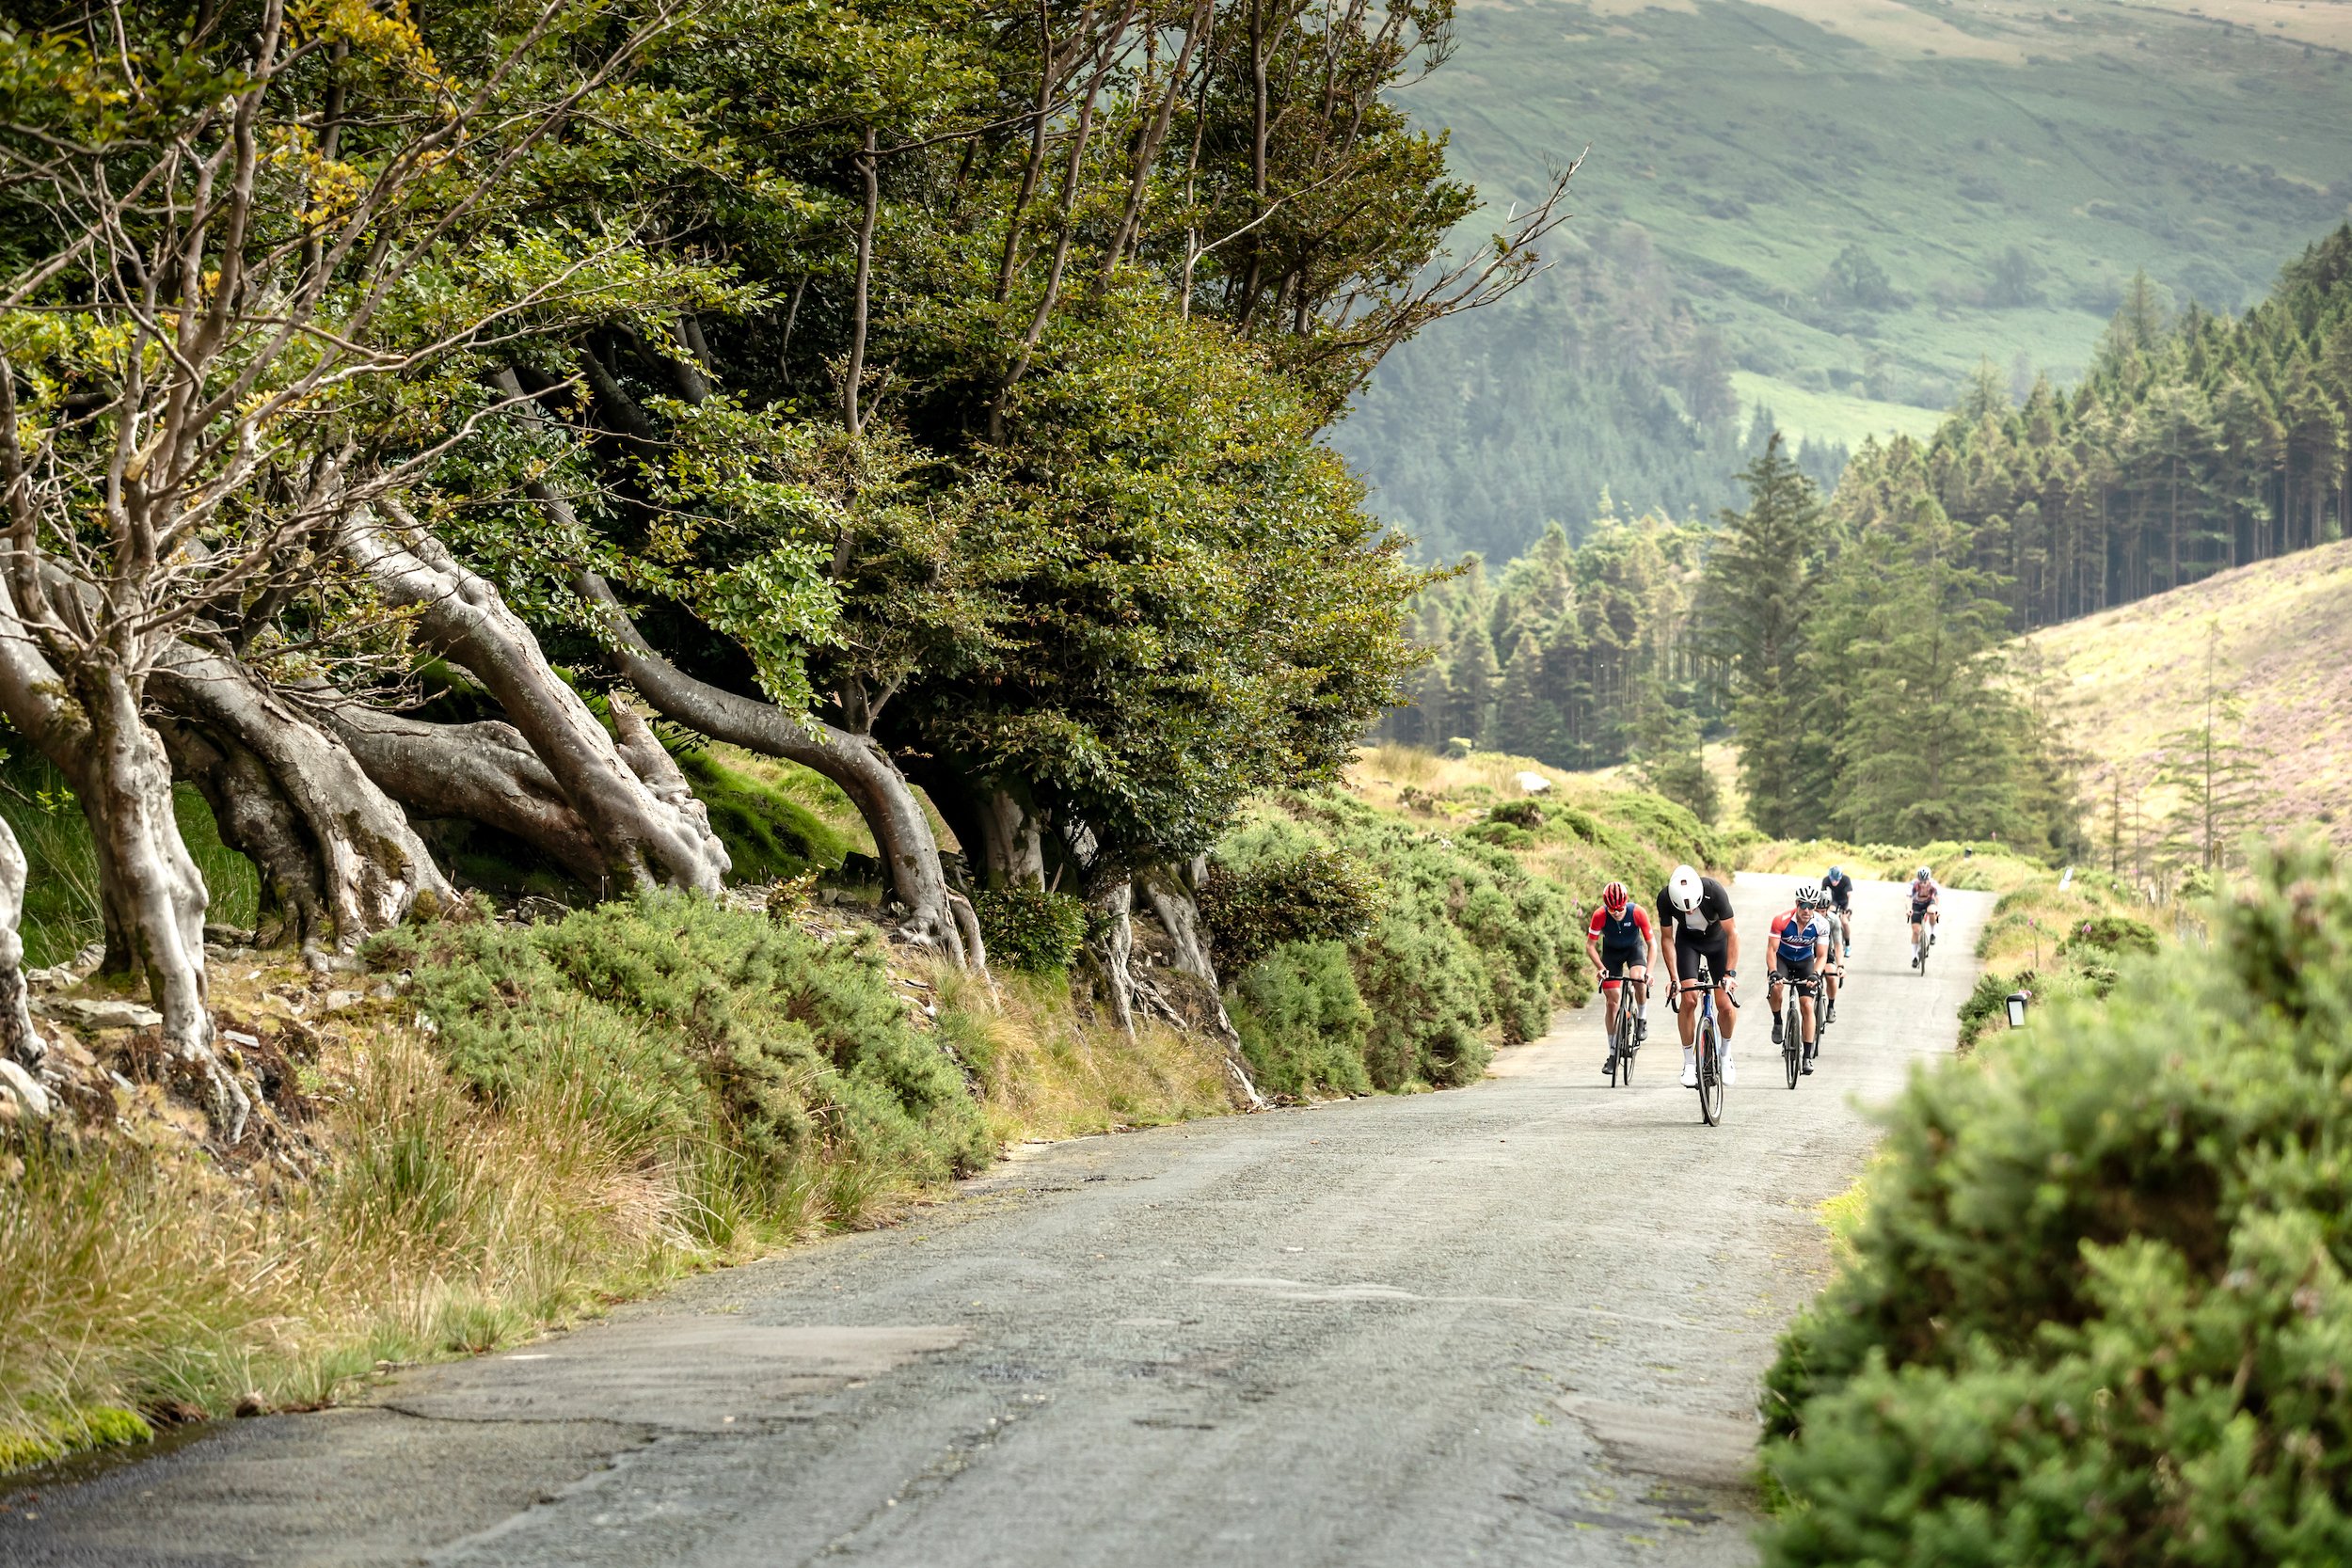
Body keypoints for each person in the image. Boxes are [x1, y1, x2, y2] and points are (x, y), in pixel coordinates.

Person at [1657, 863, 1740, 1088]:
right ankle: (1689, 1063)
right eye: (1685, 910)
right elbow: (1666, 939)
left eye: (1693, 907)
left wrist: (1730, 973)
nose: (1690, 912)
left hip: (1718, 943)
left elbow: (1732, 933)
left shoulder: (1714, 891)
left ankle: (1725, 1055)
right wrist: (1674, 978)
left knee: (1725, 1003)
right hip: (1688, 944)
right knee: (1689, 998)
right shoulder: (1665, 898)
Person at [1585, 882, 1655, 1073]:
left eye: (1620, 909)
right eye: (1612, 909)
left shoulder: (1637, 912)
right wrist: (1600, 968)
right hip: (1611, 955)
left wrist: (1649, 971)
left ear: (1626, 902)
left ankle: (1642, 1017)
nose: (1616, 913)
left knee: (1637, 978)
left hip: (1634, 950)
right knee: (1612, 1002)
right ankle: (1613, 1054)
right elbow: (1590, 946)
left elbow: (1652, 945)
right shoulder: (1600, 915)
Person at [1769, 885, 1829, 1073]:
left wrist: (1816, 974)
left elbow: (1821, 955)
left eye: (1811, 906)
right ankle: (1778, 1021)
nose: (1807, 910)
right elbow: (1771, 950)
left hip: (1805, 963)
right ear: (1796, 904)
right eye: (1803, 905)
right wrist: (1773, 972)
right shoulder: (1781, 920)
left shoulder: (1821, 924)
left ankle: (1807, 1057)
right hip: (1783, 960)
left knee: (1807, 1006)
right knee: (1777, 988)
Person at [1908, 864, 1940, 967]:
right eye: (1921, 882)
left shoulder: (1933, 884)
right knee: (1916, 931)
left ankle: (1933, 933)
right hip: (1916, 904)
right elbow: (1908, 898)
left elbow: (1937, 898)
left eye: (1925, 881)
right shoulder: (1913, 884)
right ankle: (1914, 957)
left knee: (1932, 911)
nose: (1923, 884)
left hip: (1929, 902)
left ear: (1929, 879)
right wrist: (1909, 909)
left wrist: (1937, 909)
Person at [1820, 863, 1854, 948]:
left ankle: (1847, 944)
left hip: (1845, 901)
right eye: (1832, 880)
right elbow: (1822, 895)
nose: (1834, 882)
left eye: (1836, 880)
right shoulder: (1826, 880)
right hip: (1834, 900)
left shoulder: (1846, 880)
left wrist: (1849, 908)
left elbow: (1850, 895)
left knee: (1845, 922)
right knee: (1830, 916)